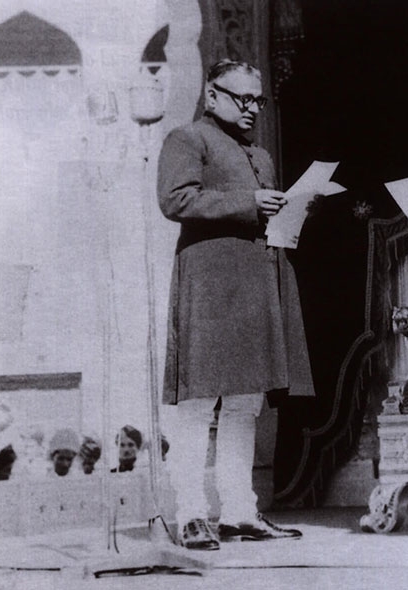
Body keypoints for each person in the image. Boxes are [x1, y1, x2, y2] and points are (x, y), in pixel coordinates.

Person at [157, 58, 315, 550]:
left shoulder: (260, 155)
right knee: (199, 403)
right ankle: (189, 514)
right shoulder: (188, 139)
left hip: (255, 284)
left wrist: (293, 207)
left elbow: (261, 209)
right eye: (241, 98)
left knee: (246, 403)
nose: (251, 109)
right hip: (209, 285)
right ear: (212, 95)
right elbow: (176, 200)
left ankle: (240, 511)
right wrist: (250, 203)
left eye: (257, 100)